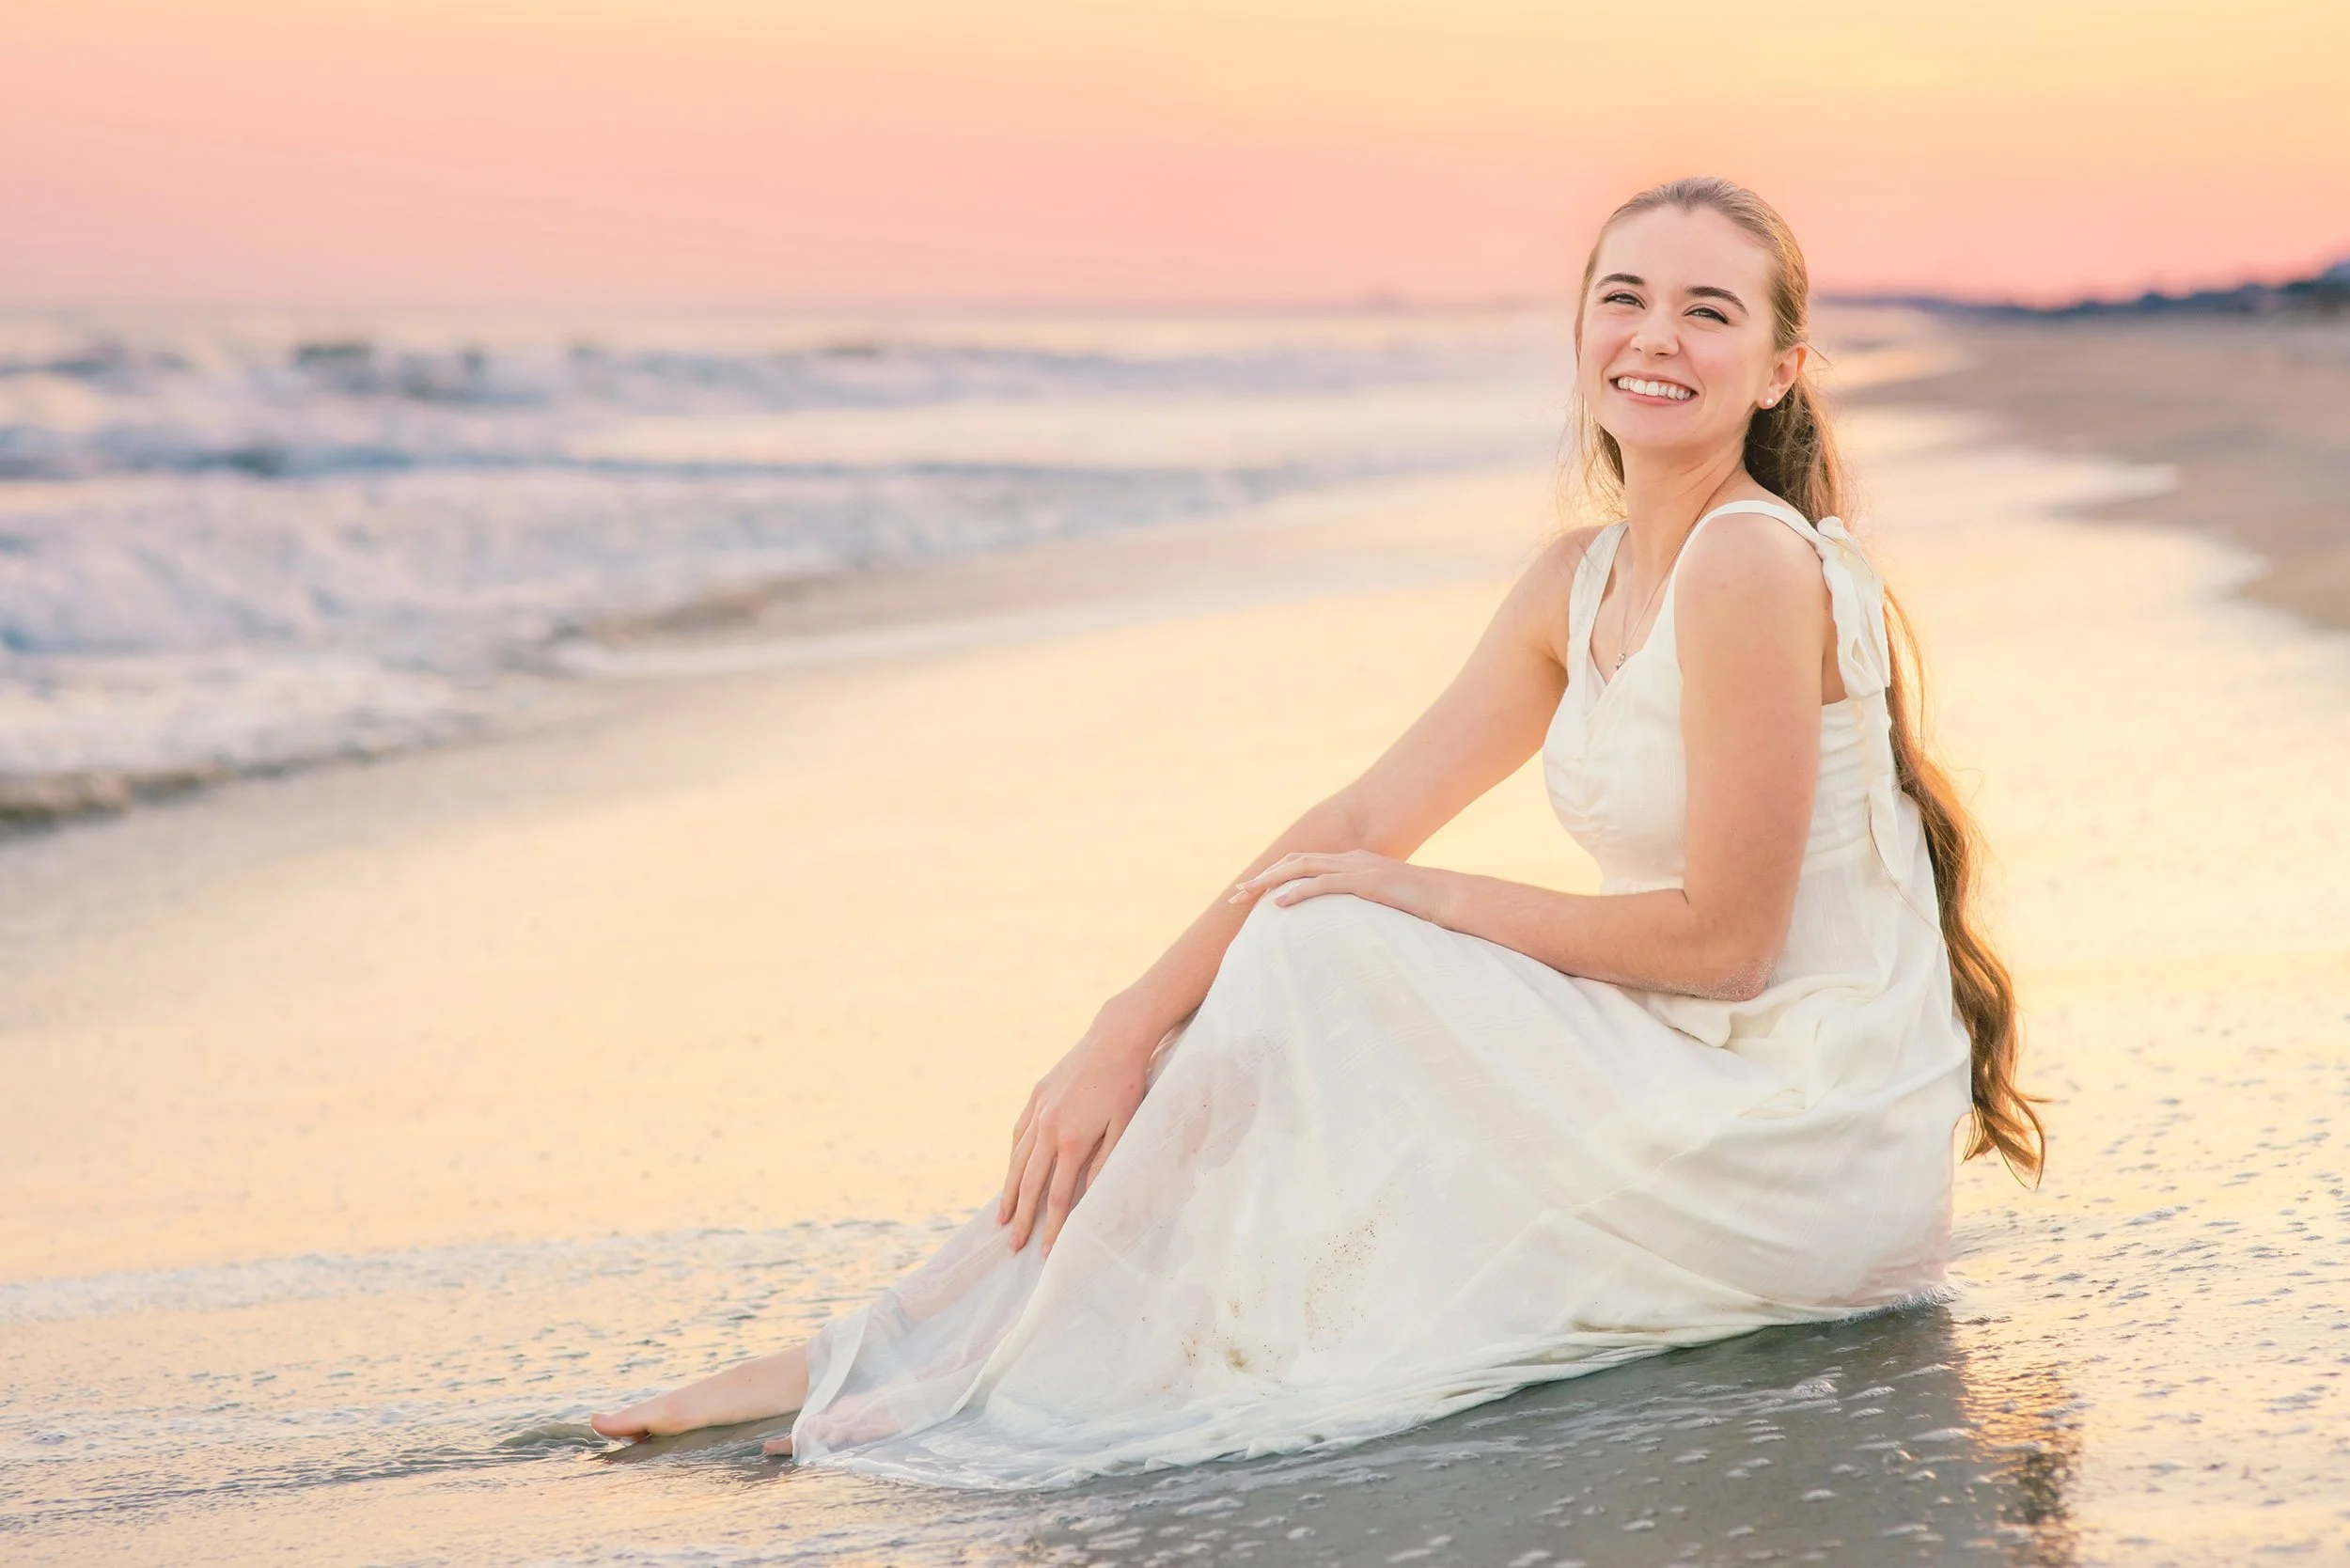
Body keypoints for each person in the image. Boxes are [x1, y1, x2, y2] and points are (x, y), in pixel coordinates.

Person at [588, 176, 2045, 1487]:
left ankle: (950, 1361)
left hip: (1801, 1134)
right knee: (1316, 923)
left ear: (1781, 369)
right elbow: (1357, 817)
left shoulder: (1747, 562)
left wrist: (1416, 900)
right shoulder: (1577, 581)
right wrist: (1120, 1027)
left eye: (1707, 311)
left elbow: (1725, 950)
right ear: (1581, 333)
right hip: (1687, 1071)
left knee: (1336, 939)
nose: (1655, 337)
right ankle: (909, 1345)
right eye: (1624, 297)